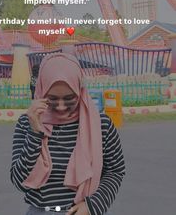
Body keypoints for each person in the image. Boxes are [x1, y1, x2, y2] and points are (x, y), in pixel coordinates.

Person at [10, 53, 125, 214]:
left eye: (69, 98)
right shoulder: (27, 123)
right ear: (42, 91)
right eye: (52, 99)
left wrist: (92, 206)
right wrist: (35, 133)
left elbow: (115, 171)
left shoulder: (101, 125)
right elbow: (19, 181)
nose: (61, 106)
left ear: (79, 89)